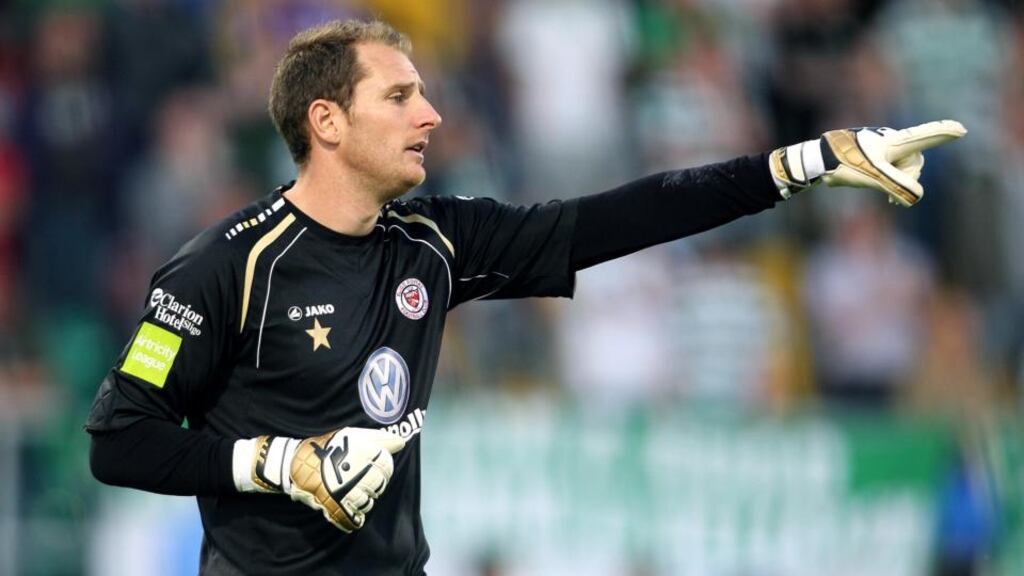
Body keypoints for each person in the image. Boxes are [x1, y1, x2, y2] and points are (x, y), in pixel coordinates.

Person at [84, 18, 965, 576]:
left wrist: (801, 163)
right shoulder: (219, 269)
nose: (430, 114)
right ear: (327, 122)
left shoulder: (433, 242)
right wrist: (278, 464)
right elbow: (120, 441)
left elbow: (621, 218)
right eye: (400, 95)